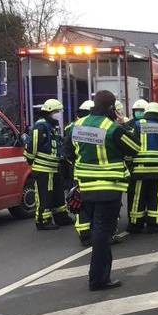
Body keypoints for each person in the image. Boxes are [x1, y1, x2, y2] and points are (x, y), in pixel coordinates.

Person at [64, 90, 141, 291]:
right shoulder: (113, 129)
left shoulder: (76, 126)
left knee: (95, 229)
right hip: (108, 188)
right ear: (111, 108)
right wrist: (123, 124)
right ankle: (98, 278)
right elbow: (134, 148)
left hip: (85, 188)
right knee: (102, 234)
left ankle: (97, 276)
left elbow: (68, 153)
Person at [126, 102, 158, 234]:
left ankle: (136, 225)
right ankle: (153, 224)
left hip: (139, 170)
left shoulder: (138, 125)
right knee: (157, 196)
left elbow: (130, 145)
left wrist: (129, 163)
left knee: (138, 197)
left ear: (146, 112)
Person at [25, 98, 73, 230]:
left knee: (57, 194)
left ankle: (61, 217)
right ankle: (42, 220)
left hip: (54, 167)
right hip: (43, 169)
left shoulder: (51, 126)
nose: (59, 114)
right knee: (44, 195)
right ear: (50, 112)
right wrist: (30, 160)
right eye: (57, 111)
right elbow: (32, 146)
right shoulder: (40, 126)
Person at [66, 100, 94, 245]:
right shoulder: (100, 125)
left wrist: (74, 163)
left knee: (81, 202)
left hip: (80, 172)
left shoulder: (73, 127)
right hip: (100, 173)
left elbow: (67, 150)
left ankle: (84, 233)